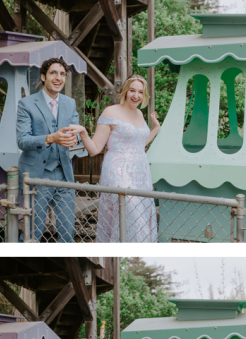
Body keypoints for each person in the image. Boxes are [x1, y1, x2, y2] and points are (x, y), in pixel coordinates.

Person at [69, 75, 161, 243]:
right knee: (128, 209)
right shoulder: (111, 112)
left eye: (140, 92)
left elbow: (139, 144)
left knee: (140, 213)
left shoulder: (140, 113)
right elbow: (95, 149)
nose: (136, 96)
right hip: (118, 170)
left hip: (141, 173)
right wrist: (83, 133)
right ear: (125, 91)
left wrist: (155, 129)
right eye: (132, 90)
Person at [16, 57, 81, 243]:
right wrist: (50, 138)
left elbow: (74, 133)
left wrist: (72, 138)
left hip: (64, 174)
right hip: (37, 175)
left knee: (68, 233)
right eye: (53, 73)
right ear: (43, 77)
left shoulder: (70, 103)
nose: (58, 77)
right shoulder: (26, 104)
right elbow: (22, 140)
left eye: (62, 74)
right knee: (33, 232)